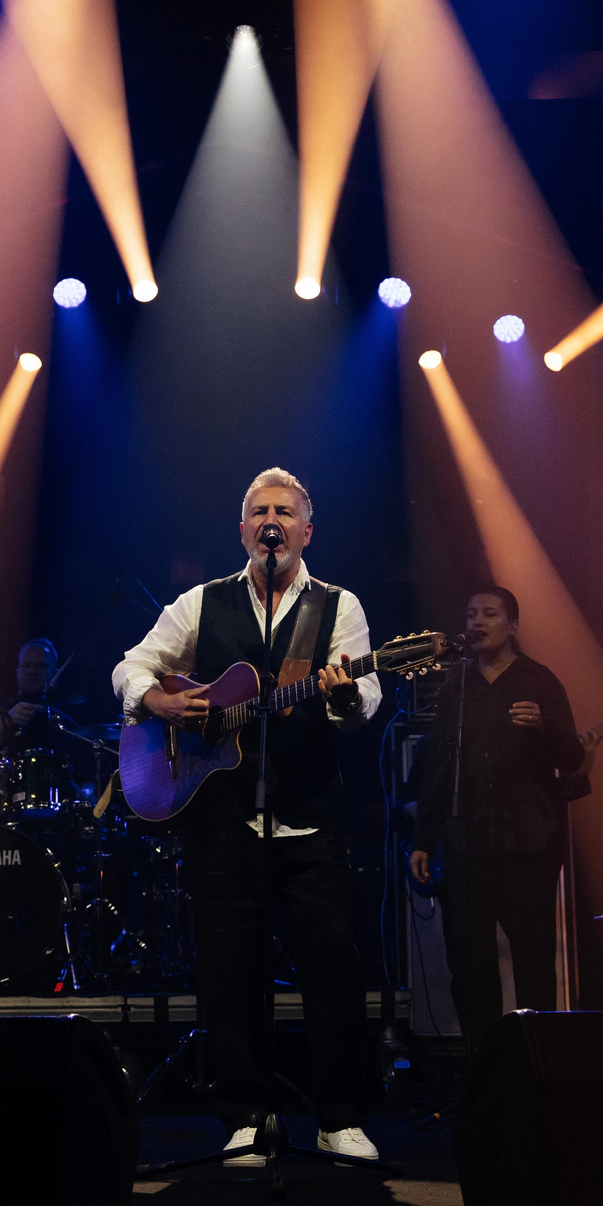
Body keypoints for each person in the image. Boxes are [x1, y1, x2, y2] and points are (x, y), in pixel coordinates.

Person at [112, 468, 380, 1164]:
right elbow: (131, 667)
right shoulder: (202, 602)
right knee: (231, 970)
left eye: (284, 512)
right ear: (242, 531)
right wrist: (158, 701)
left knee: (331, 967)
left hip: (310, 816)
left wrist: (346, 696)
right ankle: (246, 1117)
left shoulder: (337, 605)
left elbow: (366, 698)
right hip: (225, 818)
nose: (272, 521)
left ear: (306, 531)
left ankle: (339, 1117)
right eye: (260, 512)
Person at [409, 585, 583, 1056]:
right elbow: (438, 765)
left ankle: (537, 1062)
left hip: (530, 843)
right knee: (469, 963)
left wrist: (543, 727)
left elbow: (573, 757)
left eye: (489, 613)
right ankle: (482, 1065)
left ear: (513, 625)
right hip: (467, 843)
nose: (476, 622)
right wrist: (422, 838)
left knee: (533, 960)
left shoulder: (540, 680)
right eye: (471, 613)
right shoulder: (457, 683)